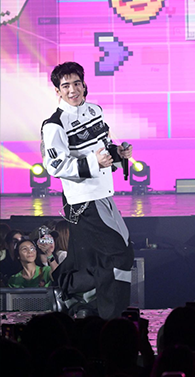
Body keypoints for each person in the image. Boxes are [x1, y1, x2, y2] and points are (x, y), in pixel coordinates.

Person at [41, 61, 134, 319]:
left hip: (104, 193)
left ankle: (76, 298)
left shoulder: (95, 110)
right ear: (58, 91)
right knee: (120, 254)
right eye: (65, 86)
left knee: (98, 258)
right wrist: (94, 163)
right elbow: (55, 165)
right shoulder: (54, 124)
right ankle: (111, 316)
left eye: (77, 83)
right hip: (83, 199)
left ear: (84, 85)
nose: (72, 90)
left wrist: (118, 153)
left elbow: (104, 146)